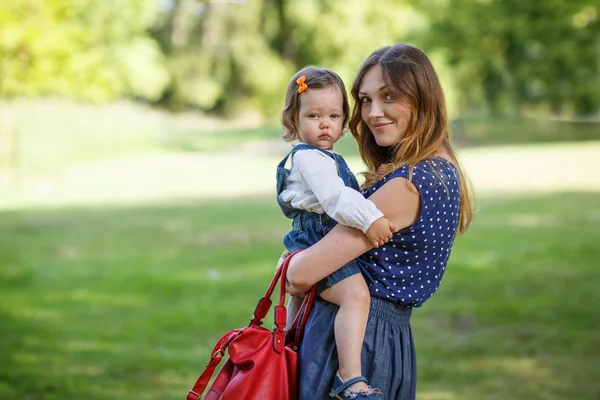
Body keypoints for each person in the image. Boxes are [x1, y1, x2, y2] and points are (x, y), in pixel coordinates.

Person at [284, 44, 475, 400]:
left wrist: (289, 259)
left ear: (422, 97)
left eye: (389, 96)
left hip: (357, 345)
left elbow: (300, 276)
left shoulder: (409, 184)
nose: (373, 113)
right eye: (365, 99)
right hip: (385, 339)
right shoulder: (442, 167)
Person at [276, 66, 398, 399]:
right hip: (318, 235)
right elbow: (335, 197)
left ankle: (285, 348)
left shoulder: (323, 157)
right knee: (356, 296)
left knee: (300, 303)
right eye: (313, 115)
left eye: (333, 115)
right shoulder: (311, 160)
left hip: (310, 236)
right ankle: (350, 378)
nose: (325, 123)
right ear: (294, 121)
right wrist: (370, 219)